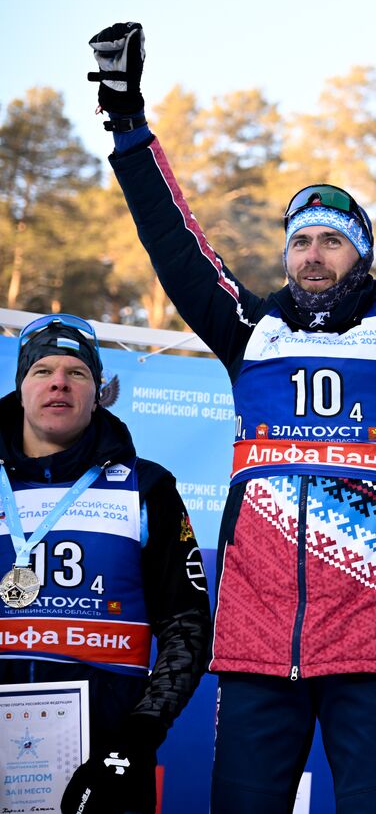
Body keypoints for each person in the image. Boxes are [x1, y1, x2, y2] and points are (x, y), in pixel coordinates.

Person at [88, 20, 376, 812]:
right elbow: (176, 244)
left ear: (361, 256)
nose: (312, 253)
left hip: (373, 650)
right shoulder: (252, 333)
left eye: (332, 242)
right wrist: (126, 122)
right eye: (301, 239)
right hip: (258, 645)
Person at [0, 314, 211, 814]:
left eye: (77, 373)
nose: (58, 382)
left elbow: (188, 627)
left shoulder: (148, 487)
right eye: (42, 370)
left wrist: (138, 738)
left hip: (105, 761)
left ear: (97, 391)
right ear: (21, 387)